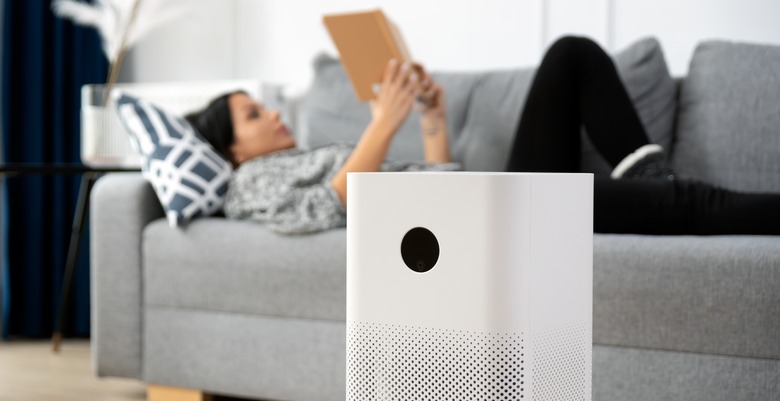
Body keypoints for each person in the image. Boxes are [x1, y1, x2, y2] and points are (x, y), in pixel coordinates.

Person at [185, 36, 780, 235]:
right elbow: (320, 209)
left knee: (571, 55)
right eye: (254, 115)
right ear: (232, 148)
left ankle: (648, 173)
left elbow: (435, 181)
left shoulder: (309, 153)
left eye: (264, 106)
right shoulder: (247, 186)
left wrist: (431, 121)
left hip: (483, 196)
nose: (274, 114)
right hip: (486, 219)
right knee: (689, 204)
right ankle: (659, 186)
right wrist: (383, 124)